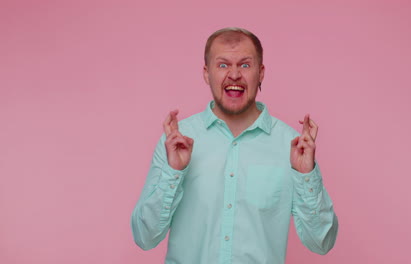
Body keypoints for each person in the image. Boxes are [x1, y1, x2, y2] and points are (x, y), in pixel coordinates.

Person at [131, 27, 338, 264]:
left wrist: (306, 176)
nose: (234, 75)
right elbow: (144, 238)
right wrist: (173, 173)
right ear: (206, 73)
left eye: (245, 65)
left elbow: (322, 243)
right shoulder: (177, 141)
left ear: (261, 73)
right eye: (222, 65)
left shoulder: (292, 146)